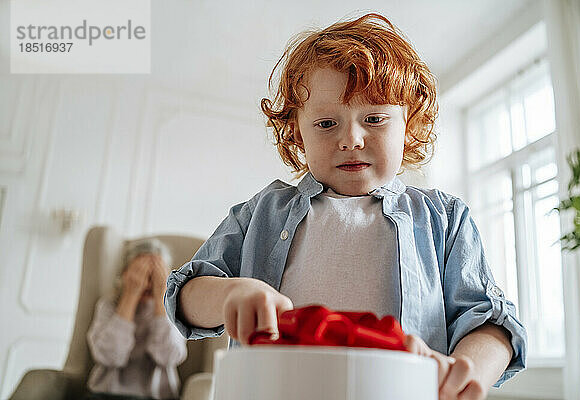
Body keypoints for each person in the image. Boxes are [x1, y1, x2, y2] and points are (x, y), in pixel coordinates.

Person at [165, 13, 526, 400]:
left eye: (374, 118)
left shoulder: (445, 219)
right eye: (325, 124)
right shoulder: (262, 212)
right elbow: (184, 294)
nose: (351, 139)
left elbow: (492, 322)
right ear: (297, 133)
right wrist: (228, 295)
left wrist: (466, 370)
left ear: (409, 125)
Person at [87, 239, 187, 400]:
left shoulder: (176, 309)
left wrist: (162, 297)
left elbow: (169, 356)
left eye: (154, 275)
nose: (146, 283)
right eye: (140, 273)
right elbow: (110, 356)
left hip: (155, 396)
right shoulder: (108, 305)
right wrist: (130, 295)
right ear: (125, 274)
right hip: (106, 393)